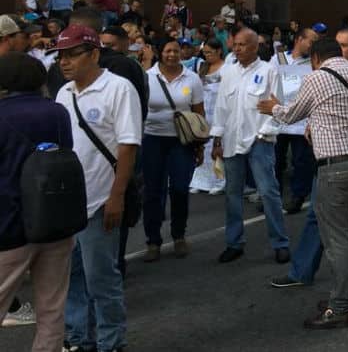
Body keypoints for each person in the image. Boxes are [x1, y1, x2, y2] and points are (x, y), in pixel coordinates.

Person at [258, 37, 348, 330]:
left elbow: (291, 114)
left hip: (336, 166)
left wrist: (273, 108)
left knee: (337, 237)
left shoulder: (317, 78)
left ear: (316, 58)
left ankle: (339, 307)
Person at [53, 25, 141, 352]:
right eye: (61, 55)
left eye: (73, 54)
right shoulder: (64, 94)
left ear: (93, 54)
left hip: (101, 202)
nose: (65, 62)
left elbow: (128, 146)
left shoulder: (119, 89)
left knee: (101, 280)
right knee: (72, 279)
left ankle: (111, 342)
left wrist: (116, 197)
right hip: (68, 204)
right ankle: (79, 339)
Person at [0, 53, 75, 350]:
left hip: (9, 224)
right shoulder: (57, 112)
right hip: (55, 220)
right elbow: (66, 152)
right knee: (52, 309)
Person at [210, 29, 290, 264]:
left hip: (259, 140)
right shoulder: (229, 72)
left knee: (268, 192)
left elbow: (277, 106)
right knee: (232, 194)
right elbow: (221, 107)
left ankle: (280, 243)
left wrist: (264, 133)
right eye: (235, 45)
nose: (237, 49)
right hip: (232, 140)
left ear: (255, 47)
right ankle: (234, 242)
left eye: (243, 45)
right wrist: (217, 138)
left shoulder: (269, 71)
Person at [141, 40, 205, 262]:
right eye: (167, 50)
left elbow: (198, 113)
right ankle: (153, 241)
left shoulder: (192, 79)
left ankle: (179, 236)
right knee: (152, 192)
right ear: (160, 52)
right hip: (152, 140)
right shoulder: (147, 77)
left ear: (182, 53)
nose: (171, 54)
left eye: (176, 51)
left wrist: (200, 145)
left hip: (182, 142)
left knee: (179, 189)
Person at [271, 27, 318, 214]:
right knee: (275, 160)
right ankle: (273, 195)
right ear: (299, 39)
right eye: (311, 41)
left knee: (301, 161)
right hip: (279, 117)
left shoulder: (314, 63)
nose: (313, 45)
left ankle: (298, 196)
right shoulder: (279, 58)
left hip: (301, 120)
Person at [189, 39, 227, 195]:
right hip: (204, 111)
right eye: (205, 53)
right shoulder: (203, 67)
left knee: (217, 148)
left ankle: (219, 180)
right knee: (204, 147)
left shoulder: (227, 68)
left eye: (210, 52)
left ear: (219, 51)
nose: (207, 56)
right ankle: (201, 180)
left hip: (219, 111)